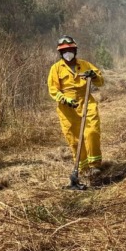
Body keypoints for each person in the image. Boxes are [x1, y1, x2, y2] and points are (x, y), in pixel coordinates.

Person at [47, 36, 104, 175]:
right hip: (67, 108)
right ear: (60, 53)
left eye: (70, 49)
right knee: (74, 138)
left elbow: (100, 81)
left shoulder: (85, 65)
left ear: (75, 50)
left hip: (86, 101)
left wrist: (94, 76)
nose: (68, 52)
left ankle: (95, 165)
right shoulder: (55, 69)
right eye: (65, 50)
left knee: (92, 132)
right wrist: (64, 99)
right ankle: (83, 169)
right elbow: (53, 89)